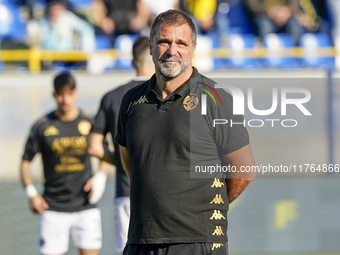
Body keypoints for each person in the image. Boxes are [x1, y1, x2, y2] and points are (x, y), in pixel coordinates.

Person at [115, 9, 256, 255]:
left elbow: (244, 172)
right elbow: (131, 164)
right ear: (150, 46)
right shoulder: (131, 101)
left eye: (181, 43)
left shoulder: (216, 98)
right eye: (164, 42)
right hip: (140, 241)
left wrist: (204, 211)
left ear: (193, 48)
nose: (172, 50)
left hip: (197, 242)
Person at [20, 71, 109, 255]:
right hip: (53, 208)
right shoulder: (42, 126)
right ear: (54, 95)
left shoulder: (90, 122)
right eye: (61, 94)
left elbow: (105, 153)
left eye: (69, 94)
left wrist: (101, 176)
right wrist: (32, 194)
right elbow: (25, 162)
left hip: (85, 206)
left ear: (75, 93)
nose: (65, 99)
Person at [88, 36, 155, 253]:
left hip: (125, 192)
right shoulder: (165, 95)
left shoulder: (112, 97)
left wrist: (122, 161)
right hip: (161, 193)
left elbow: (94, 146)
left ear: (132, 62)